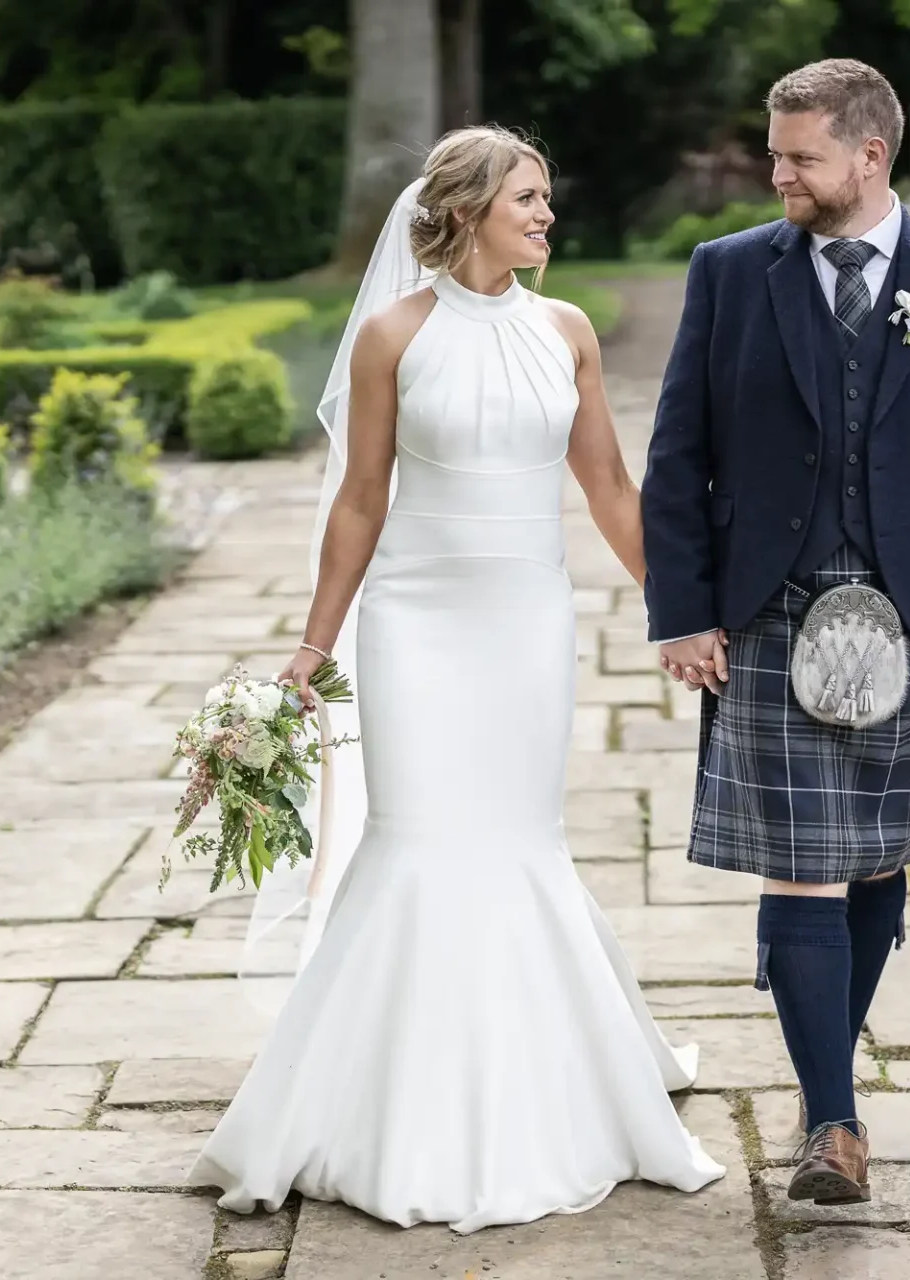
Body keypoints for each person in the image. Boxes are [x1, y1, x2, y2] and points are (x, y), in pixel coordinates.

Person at [187, 126, 725, 1233]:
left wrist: (682, 612)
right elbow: (359, 500)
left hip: (527, 625)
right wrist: (311, 644)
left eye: (547, 199)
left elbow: (612, 486)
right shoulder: (393, 335)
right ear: (467, 208)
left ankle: (546, 1080)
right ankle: (383, 1100)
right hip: (416, 627)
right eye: (528, 198)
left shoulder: (566, 330)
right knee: (420, 839)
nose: (547, 216)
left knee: (521, 839)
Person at [641, 59, 910, 1206]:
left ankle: (822, 1045)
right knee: (803, 866)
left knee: (876, 857)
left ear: (870, 156)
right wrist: (680, 609)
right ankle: (834, 1120)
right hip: (770, 607)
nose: (777, 173)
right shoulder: (730, 273)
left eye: (799, 155)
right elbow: (678, 455)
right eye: (775, 153)